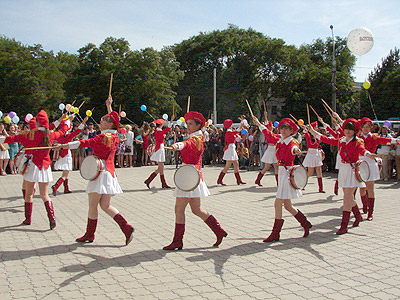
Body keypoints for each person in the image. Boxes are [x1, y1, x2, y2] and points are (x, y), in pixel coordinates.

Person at [57, 97, 134, 245]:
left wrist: (64, 146)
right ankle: (126, 227)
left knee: (93, 205)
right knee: (105, 205)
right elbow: (114, 123)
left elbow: (85, 142)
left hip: (99, 173)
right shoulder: (115, 135)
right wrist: (109, 106)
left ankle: (89, 234)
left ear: (109, 124)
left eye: (102, 120)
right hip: (109, 172)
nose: (100, 122)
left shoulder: (102, 136)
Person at [163, 111, 227, 250]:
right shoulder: (196, 136)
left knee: (179, 209)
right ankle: (219, 231)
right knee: (196, 209)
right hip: (192, 175)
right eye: (188, 124)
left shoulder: (196, 138)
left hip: (189, 176)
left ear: (199, 125)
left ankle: (177, 241)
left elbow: (188, 144)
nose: (188, 126)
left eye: (191, 124)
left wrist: (178, 145)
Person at [0, 110, 68, 229]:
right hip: (45, 167)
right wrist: (67, 121)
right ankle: (52, 218)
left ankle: (28, 219)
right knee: (44, 195)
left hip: (33, 166)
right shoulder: (50, 134)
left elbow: (11, 139)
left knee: (29, 194)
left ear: (37, 122)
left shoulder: (30, 134)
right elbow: (62, 131)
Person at [308, 118, 377, 235]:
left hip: (352, 169)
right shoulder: (341, 141)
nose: (348, 131)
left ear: (355, 131)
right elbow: (326, 139)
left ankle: (344, 225)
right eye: (346, 129)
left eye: (351, 130)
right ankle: (358, 215)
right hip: (344, 170)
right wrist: (313, 132)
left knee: (347, 196)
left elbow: (362, 150)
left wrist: (368, 154)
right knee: (348, 195)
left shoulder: (357, 142)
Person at [252, 115, 312, 242]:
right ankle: (305, 223)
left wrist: (295, 151)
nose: (284, 130)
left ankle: (276, 233)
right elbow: (268, 134)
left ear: (292, 131)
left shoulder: (292, 142)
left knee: (278, 203)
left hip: (287, 173)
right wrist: (259, 124)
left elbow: (294, 148)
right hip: (283, 173)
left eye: (287, 129)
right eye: (282, 128)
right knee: (288, 206)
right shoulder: (279, 140)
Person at [358, 117, 399, 220]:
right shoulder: (357, 138)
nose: (366, 129)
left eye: (368, 127)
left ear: (371, 128)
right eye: (364, 127)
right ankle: (365, 206)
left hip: (371, 163)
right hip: (360, 162)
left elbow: (384, 140)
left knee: (370, 188)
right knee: (362, 188)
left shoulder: (374, 137)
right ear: (361, 128)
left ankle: (370, 213)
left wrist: (395, 140)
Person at [51, 115, 87, 196]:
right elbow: (78, 130)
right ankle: (56, 186)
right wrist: (84, 121)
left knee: (66, 172)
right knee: (65, 174)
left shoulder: (59, 134)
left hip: (61, 154)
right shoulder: (69, 135)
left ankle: (66, 188)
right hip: (67, 154)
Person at [144, 115, 175, 189]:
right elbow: (166, 130)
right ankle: (150, 180)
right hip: (160, 149)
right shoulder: (159, 131)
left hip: (159, 148)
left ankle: (160, 183)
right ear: (161, 125)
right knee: (161, 167)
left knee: (161, 167)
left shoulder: (157, 131)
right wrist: (171, 121)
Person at [217, 119, 245, 185]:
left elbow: (235, 135)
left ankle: (239, 180)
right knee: (228, 166)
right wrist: (241, 126)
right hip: (230, 149)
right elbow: (236, 132)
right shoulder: (229, 132)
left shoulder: (229, 132)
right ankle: (220, 180)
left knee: (236, 164)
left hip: (232, 148)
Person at [255, 115, 279, 187]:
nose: (273, 126)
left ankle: (278, 183)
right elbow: (265, 128)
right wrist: (259, 122)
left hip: (274, 150)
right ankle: (258, 179)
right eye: (271, 125)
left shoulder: (272, 133)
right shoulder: (268, 133)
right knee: (267, 167)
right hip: (271, 150)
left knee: (276, 166)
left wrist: (265, 116)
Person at [302, 121, 325, 193]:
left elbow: (321, 139)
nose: (317, 128)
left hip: (316, 153)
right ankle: (302, 183)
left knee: (319, 170)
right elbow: (305, 132)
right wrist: (305, 128)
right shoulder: (308, 135)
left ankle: (320, 188)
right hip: (311, 153)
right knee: (310, 172)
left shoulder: (316, 136)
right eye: (315, 127)